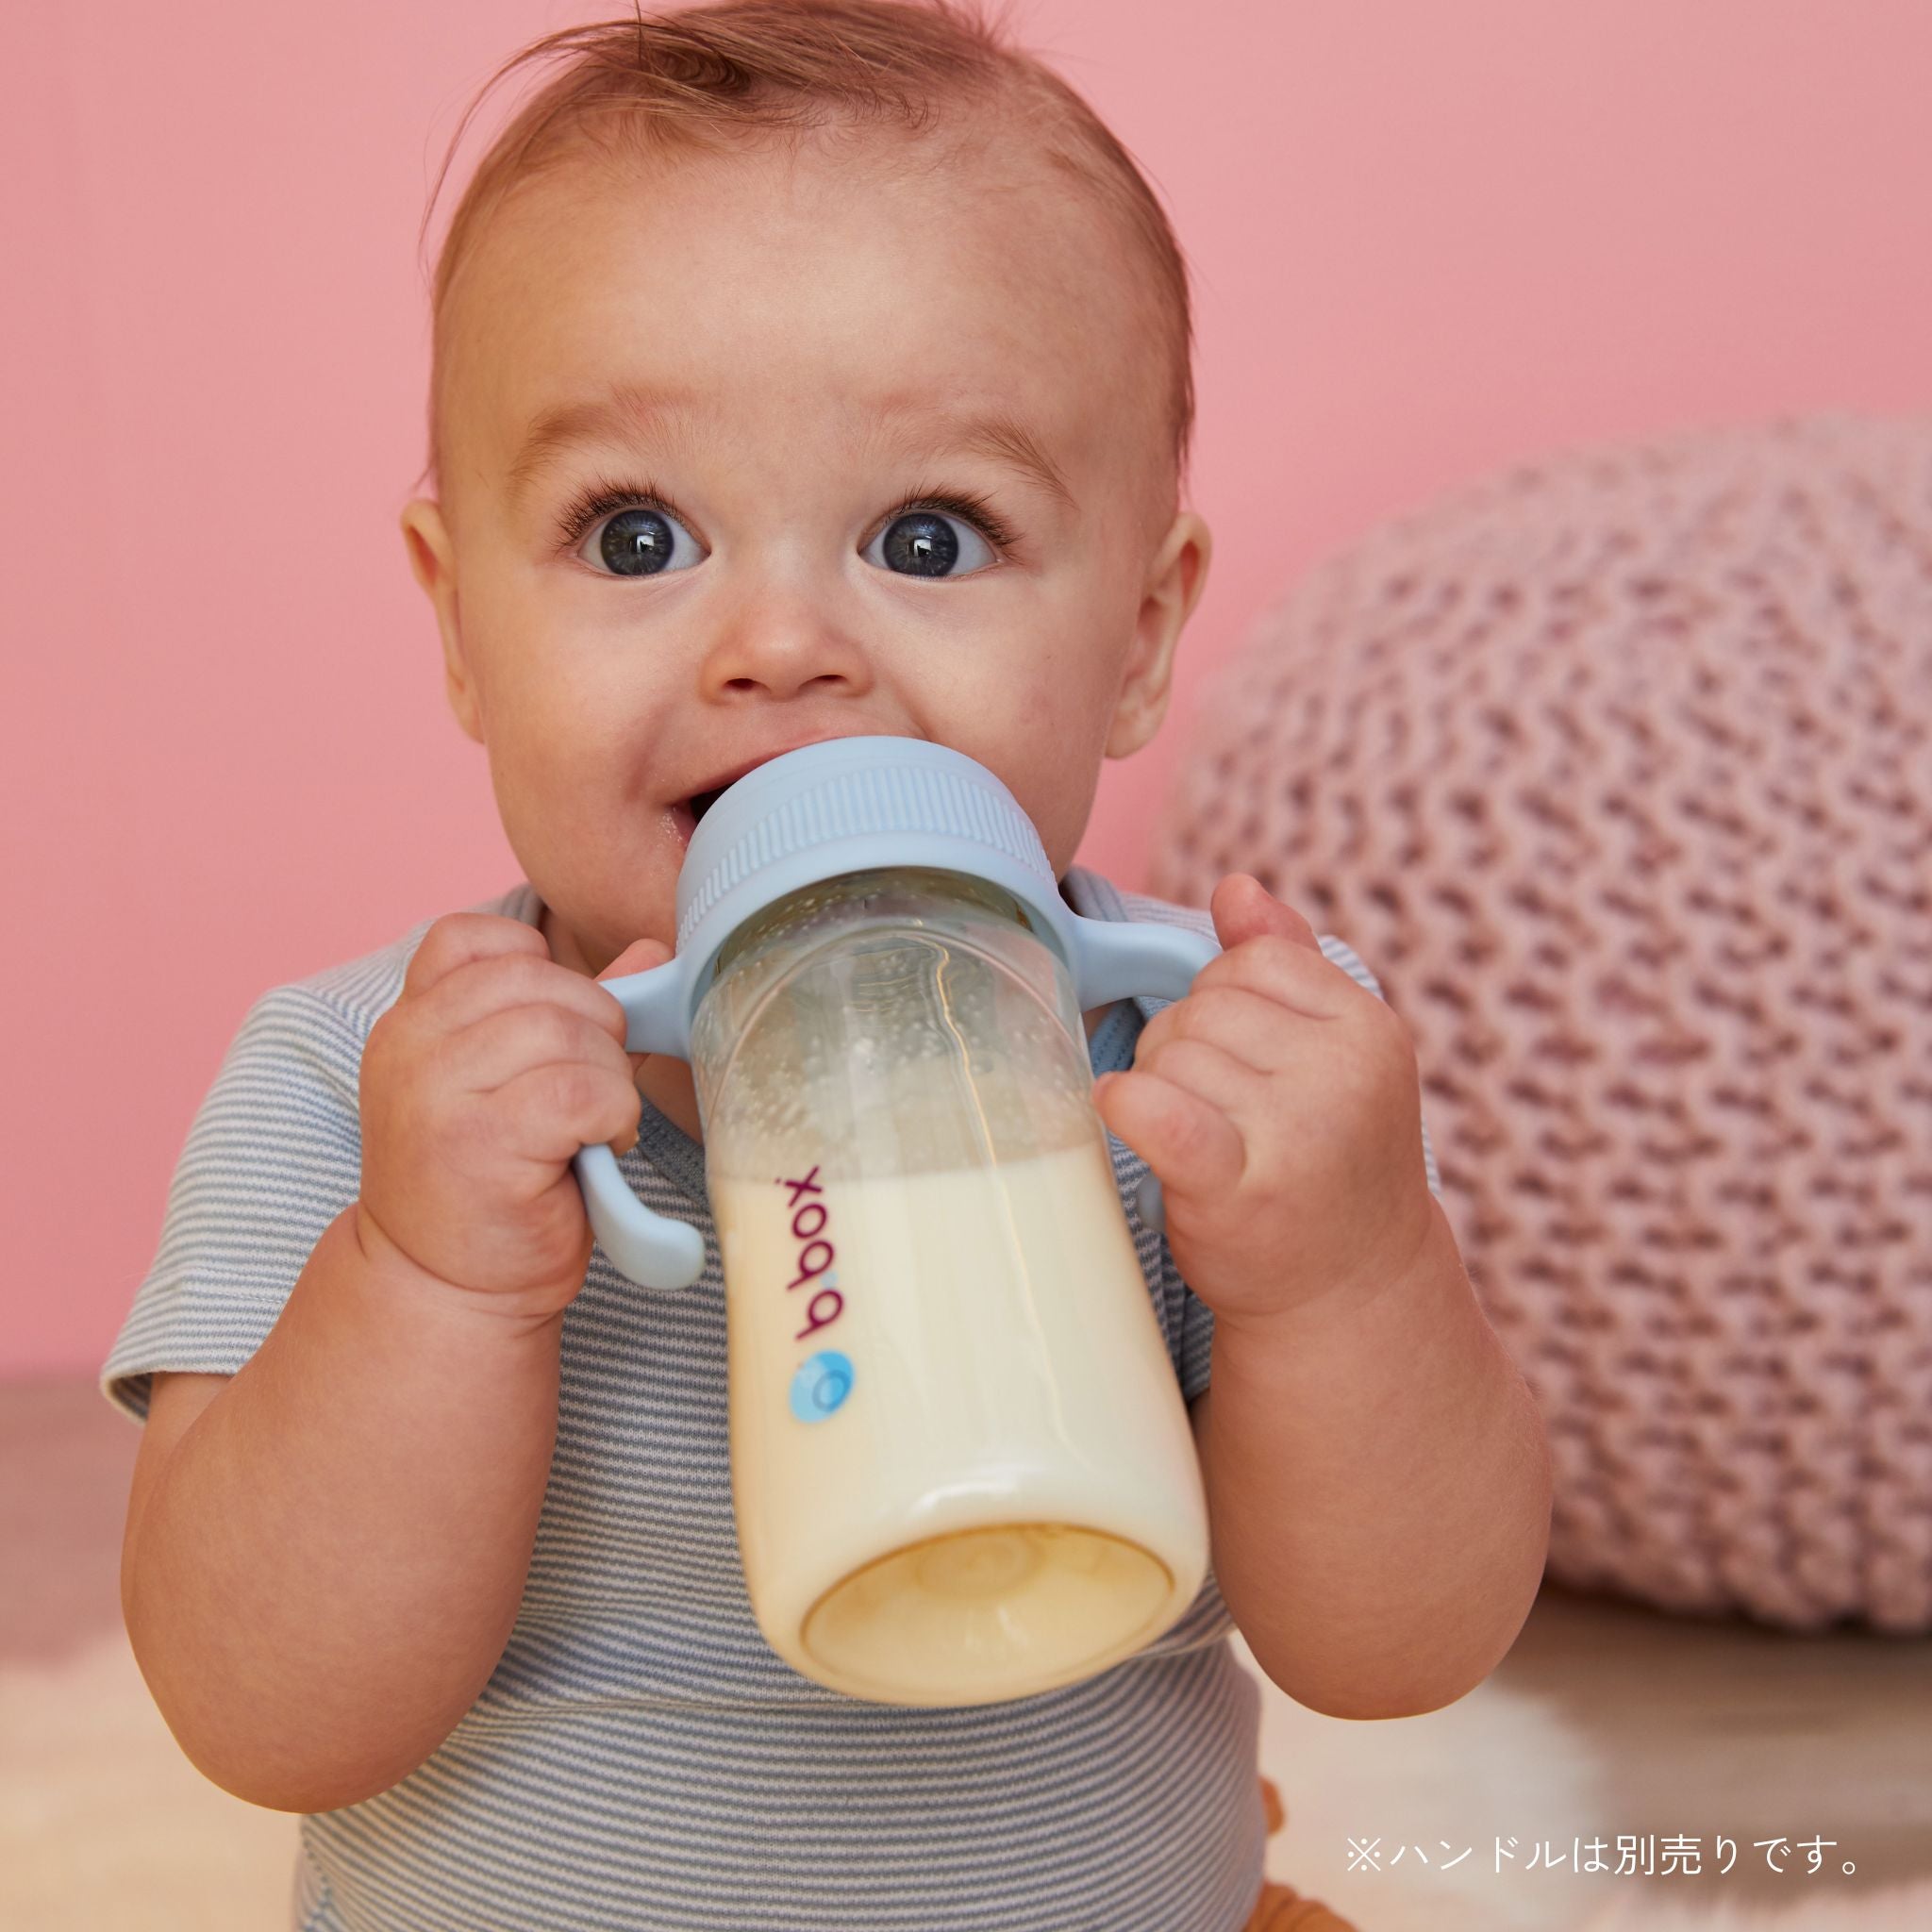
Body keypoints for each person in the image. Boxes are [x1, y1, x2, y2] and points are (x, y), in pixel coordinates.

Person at [103, 5, 1552, 1927]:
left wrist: (1345, 1277)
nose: (781, 644)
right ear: (459, 622)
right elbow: (260, 1707)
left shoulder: (1204, 1088)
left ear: (1137, 633)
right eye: (637, 533)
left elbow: (1401, 1646)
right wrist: (424, 1273)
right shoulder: (358, 1084)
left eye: (929, 533)